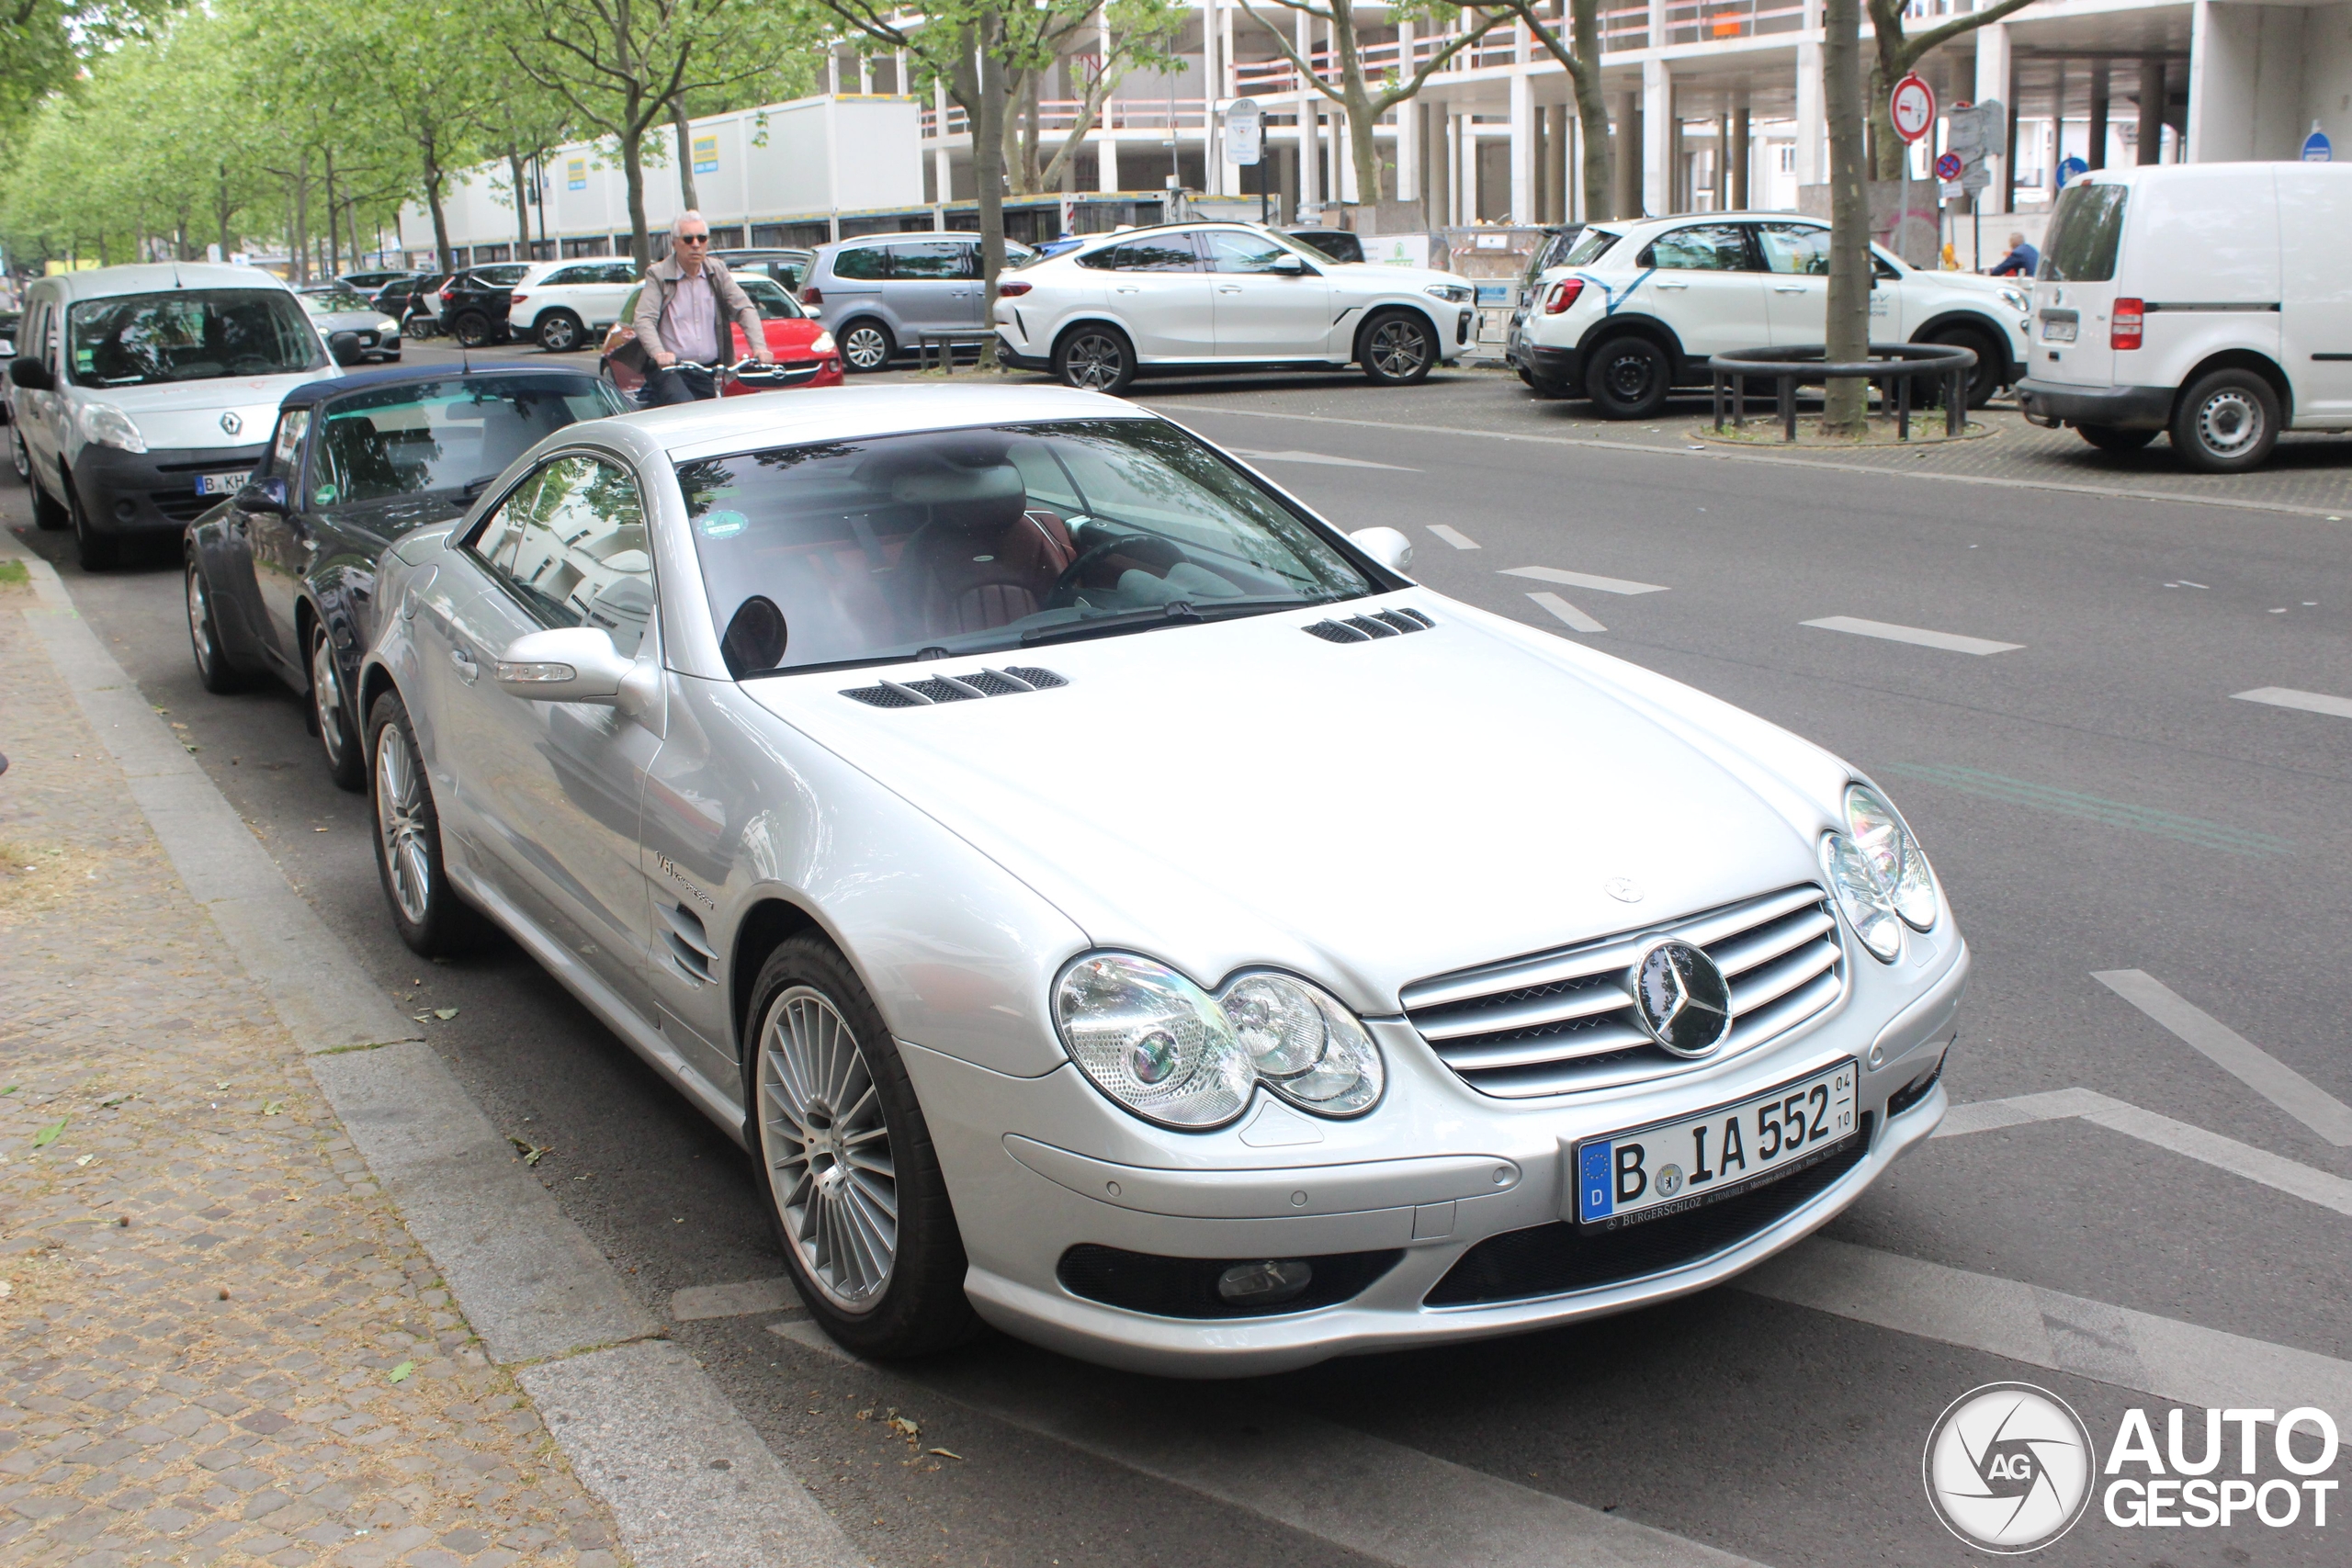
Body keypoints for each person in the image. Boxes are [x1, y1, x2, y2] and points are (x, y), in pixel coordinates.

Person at [630, 211, 773, 405]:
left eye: (702, 238)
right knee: (686, 408)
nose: (696, 244)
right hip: (671, 371)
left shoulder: (717, 271)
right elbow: (644, 319)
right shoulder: (658, 275)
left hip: (709, 370)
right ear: (674, 243)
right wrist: (658, 353)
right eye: (688, 239)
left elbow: (744, 309)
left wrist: (759, 348)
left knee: (710, 418)